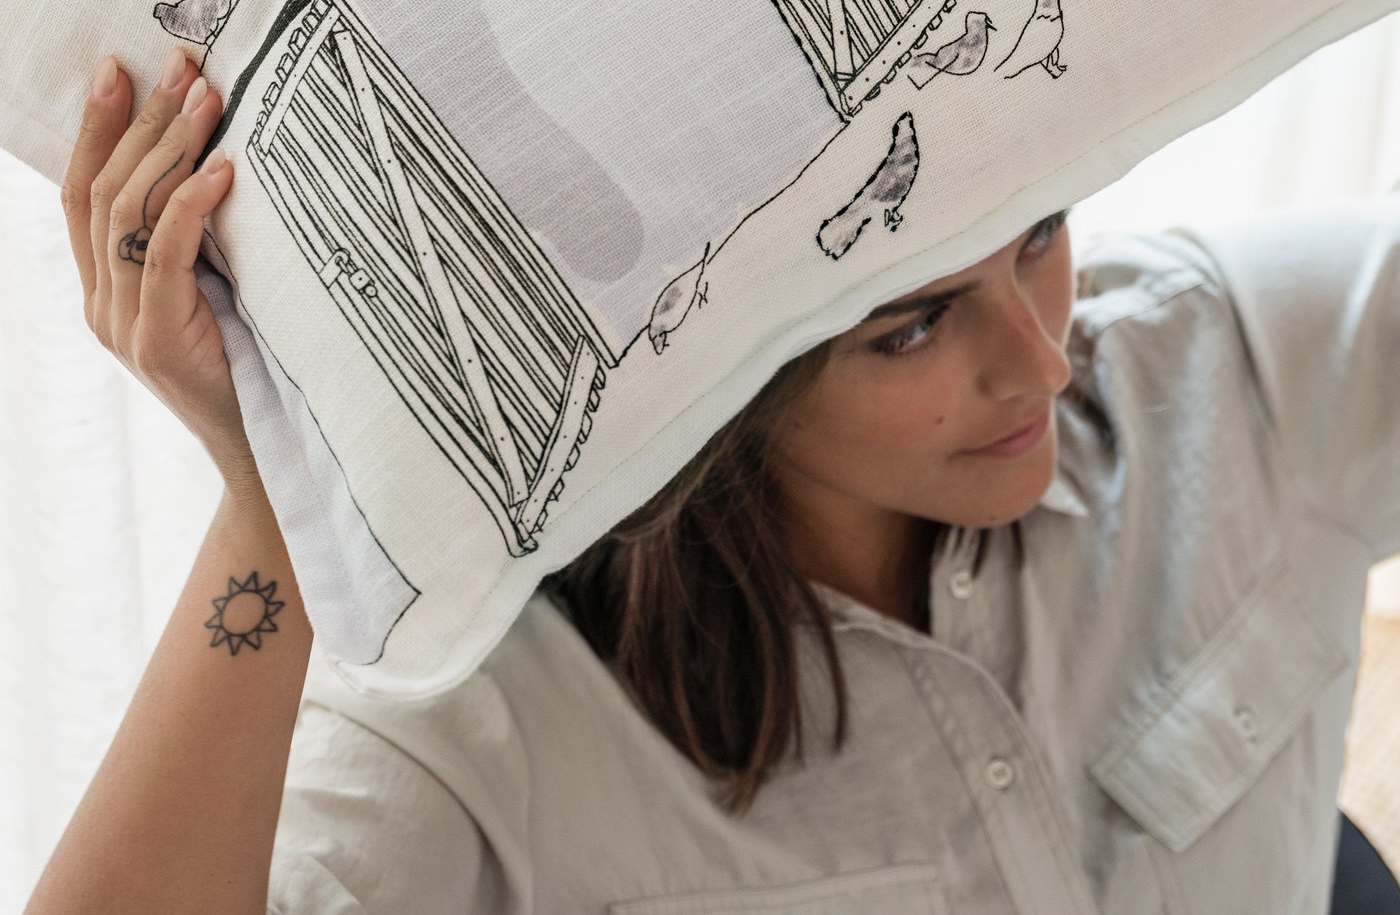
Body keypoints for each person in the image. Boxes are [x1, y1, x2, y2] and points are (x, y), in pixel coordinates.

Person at [23, 45, 1400, 915]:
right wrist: (272, 483)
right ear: (710, 374)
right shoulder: (485, 722)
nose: (1046, 358)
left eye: (1037, 232)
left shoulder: (1223, 362)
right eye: (910, 326)